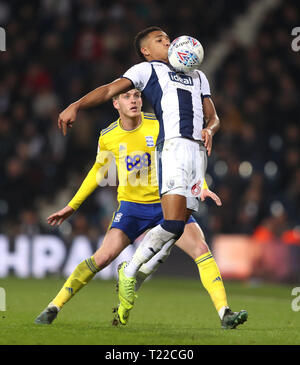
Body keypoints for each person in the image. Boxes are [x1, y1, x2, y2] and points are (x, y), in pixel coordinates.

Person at [56, 26, 248, 328]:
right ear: (146, 51)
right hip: (170, 153)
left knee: (182, 237)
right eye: (160, 41)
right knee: (173, 227)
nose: (168, 43)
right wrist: (77, 105)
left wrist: (210, 132)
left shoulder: (198, 75)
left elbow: (214, 117)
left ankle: (222, 312)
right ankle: (128, 273)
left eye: (169, 39)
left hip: (196, 155)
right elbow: (109, 90)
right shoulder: (147, 70)